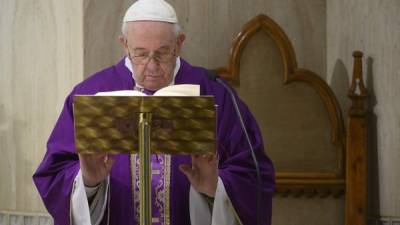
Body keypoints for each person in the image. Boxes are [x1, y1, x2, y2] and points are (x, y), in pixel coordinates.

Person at [33, 0, 275, 224]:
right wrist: (88, 182)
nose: (151, 65)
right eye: (140, 53)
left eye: (162, 52)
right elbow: (54, 173)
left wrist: (214, 188)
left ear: (179, 43)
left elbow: (253, 175)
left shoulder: (216, 93)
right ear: (124, 44)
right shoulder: (92, 93)